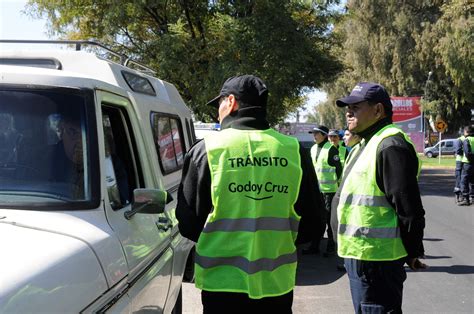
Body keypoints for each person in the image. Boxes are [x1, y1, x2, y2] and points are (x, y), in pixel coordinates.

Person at [176, 75, 324, 313]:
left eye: (219, 104)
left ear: (232, 102)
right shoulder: (294, 150)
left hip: (221, 285)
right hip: (276, 286)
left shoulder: (206, 150)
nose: (217, 113)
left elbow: (188, 223)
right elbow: (314, 223)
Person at [333, 82, 427, 313]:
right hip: (359, 255)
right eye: (348, 107)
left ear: (378, 110)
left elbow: (409, 208)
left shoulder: (390, 144)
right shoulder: (363, 144)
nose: (348, 112)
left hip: (376, 261)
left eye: (356, 107)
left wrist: (413, 251)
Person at [303, 125, 343, 257]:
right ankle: (314, 246)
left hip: (329, 191)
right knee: (316, 218)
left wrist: (338, 186)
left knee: (329, 220)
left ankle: (331, 246)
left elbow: (339, 170)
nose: (314, 136)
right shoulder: (314, 148)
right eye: (313, 133)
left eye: (317, 134)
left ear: (324, 135)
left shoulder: (331, 149)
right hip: (317, 191)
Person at [49, 112, 85, 199]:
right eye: (73, 132)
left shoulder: (108, 163)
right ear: (61, 132)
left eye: (86, 135)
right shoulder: (46, 159)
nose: (80, 141)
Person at [459, 126, 474, 206]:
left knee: (464, 181)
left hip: (468, 163)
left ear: (466, 132)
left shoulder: (466, 140)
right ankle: (473, 198)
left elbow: (467, 153)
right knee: (473, 181)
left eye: (464, 132)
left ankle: (466, 199)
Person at [454, 130, 466, 204]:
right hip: (460, 161)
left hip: (463, 161)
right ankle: (458, 195)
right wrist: (466, 153)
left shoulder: (460, 139)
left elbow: (457, 151)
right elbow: (458, 151)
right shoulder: (460, 140)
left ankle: (461, 195)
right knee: (459, 178)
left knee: (462, 178)